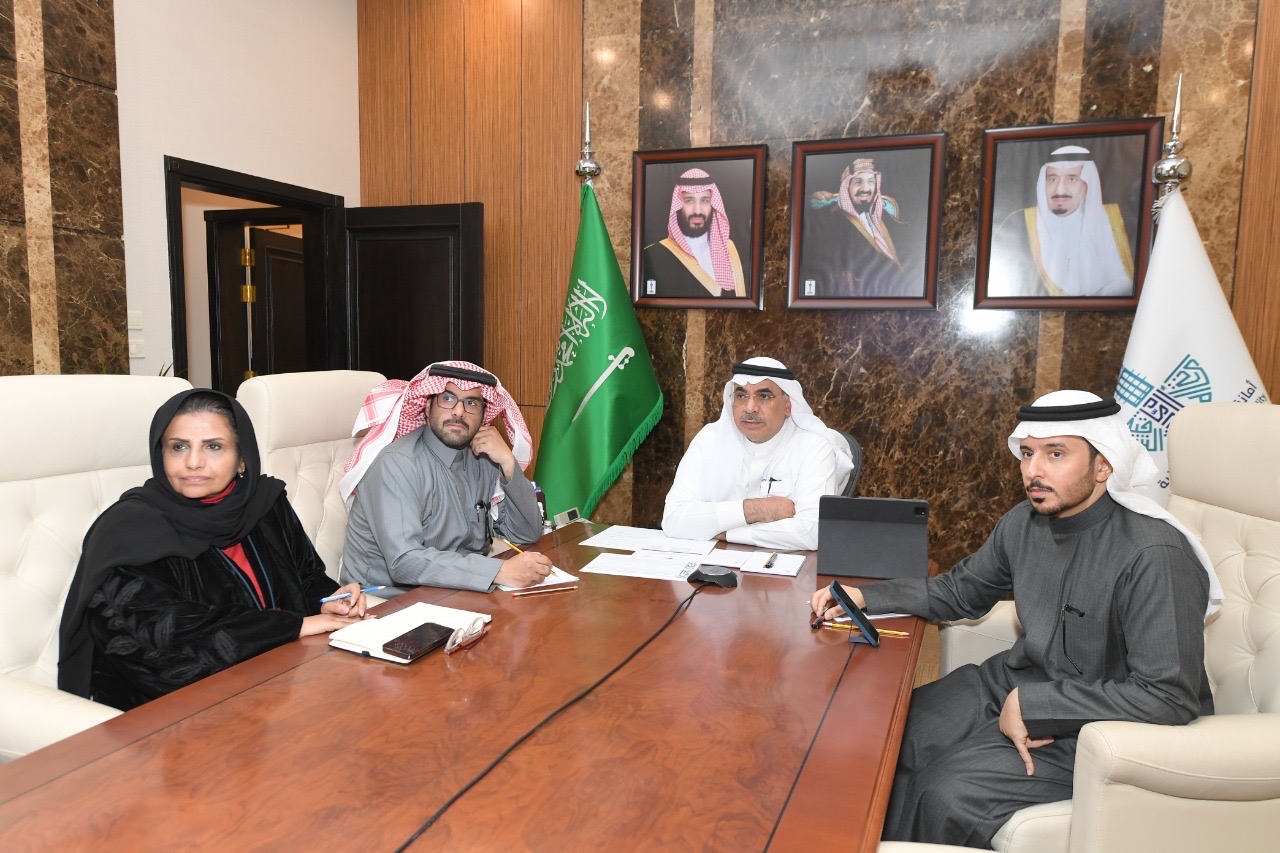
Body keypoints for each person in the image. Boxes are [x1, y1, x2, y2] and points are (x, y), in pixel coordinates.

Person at [809, 390, 1221, 848]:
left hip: (1099, 728)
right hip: (1009, 684)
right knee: (884, 737)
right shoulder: (1024, 522)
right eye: (1027, 453)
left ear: (1103, 465)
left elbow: (1167, 697)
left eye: (1055, 454)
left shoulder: (1155, 555)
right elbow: (962, 590)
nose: (1033, 471)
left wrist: (1037, 706)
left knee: (945, 793)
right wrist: (868, 596)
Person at [58, 389, 370, 712]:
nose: (193, 462)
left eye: (213, 446)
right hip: (174, 712)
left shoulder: (265, 504)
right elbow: (157, 637)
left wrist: (330, 601)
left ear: (242, 458)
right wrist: (293, 627)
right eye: (178, 447)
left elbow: (306, 578)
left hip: (286, 683)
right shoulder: (128, 531)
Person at [340, 361, 551, 596]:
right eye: (448, 398)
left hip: (458, 591)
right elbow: (404, 562)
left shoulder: (483, 459)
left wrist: (509, 464)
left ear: (483, 415)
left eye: (471, 403)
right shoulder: (398, 463)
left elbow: (525, 534)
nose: (459, 412)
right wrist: (497, 572)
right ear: (427, 406)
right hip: (387, 601)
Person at [662, 357, 855, 551]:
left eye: (764, 396)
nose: (750, 408)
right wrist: (758, 509)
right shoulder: (709, 440)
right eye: (741, 396)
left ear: (788, 405)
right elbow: (673, 519)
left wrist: (726, 533)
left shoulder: (814, 446)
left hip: (786, 567)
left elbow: (812, 531)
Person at [988, 145, 1134, 298]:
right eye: (1052, 179)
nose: (1060, 190)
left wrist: (1087, 306)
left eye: (1072, 179)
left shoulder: (1110, 220)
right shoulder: (1018, 223)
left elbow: (1125, 280)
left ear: (1087, 185)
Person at [800, 157, 912, 297]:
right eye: (858, 182)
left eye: (871, 182)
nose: (865, 188)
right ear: (846, 187)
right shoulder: (833, 222)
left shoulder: (886, 219)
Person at [640, 167, 747, 298]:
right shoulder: (655, 255)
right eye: (689, 200)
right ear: (678, 205)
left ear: (713, 205)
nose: (697, 210)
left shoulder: (734, 252)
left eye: (705, 200)